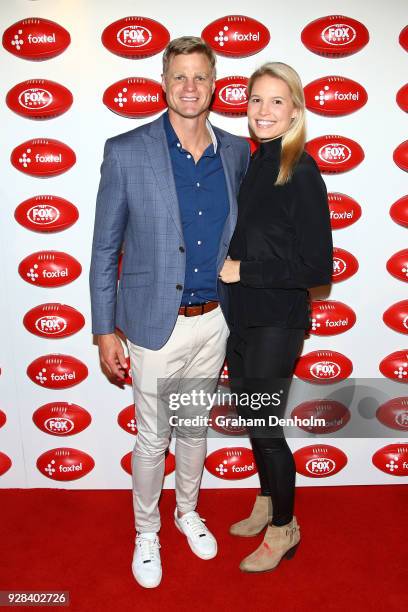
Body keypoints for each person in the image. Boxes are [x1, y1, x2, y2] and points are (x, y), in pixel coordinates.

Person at [89, 36, 250, 588]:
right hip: (154, 323)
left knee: (193, 429)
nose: (189, 87)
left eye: (199, 77)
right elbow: (106, 247)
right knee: (153, 437)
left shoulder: (236, 151)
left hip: (215, 321)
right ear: (163, 81)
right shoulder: (126, 149)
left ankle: (186, 512)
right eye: (179, 76)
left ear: (214, 83)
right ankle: (146, 532)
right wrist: (104, 329)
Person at [219, 62, 333, 573]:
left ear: (296, 110)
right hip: (242, 316)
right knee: (252, 416)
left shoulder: (301, 171)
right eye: (256, 100)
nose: (264, 111)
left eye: (277, 101)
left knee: (264, 425)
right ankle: (267, 499)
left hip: (278, 319)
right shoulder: (254, 164)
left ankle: (285, 527)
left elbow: (317, 266)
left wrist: (246, 270)